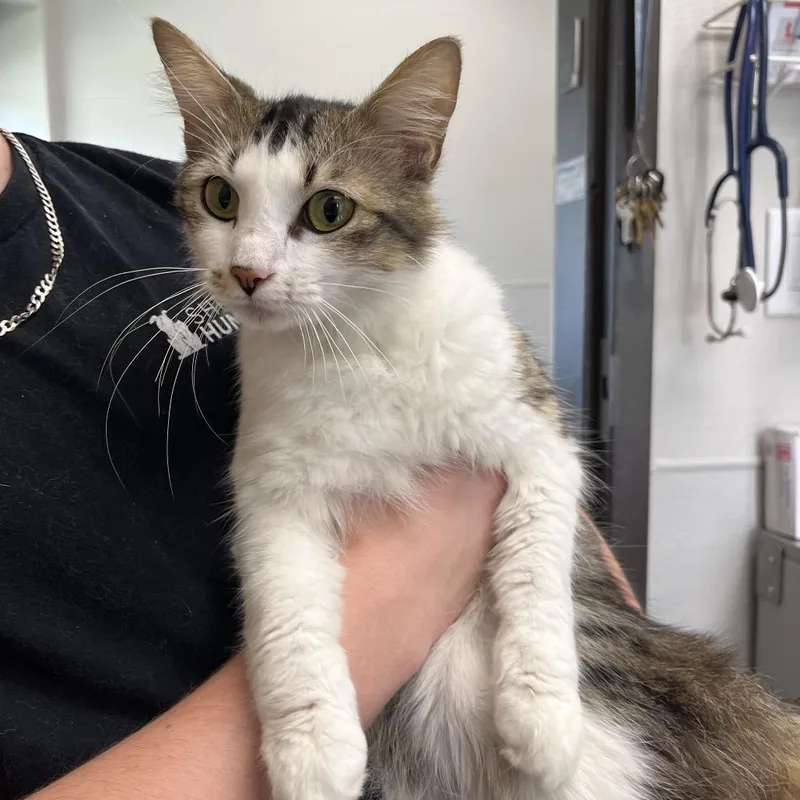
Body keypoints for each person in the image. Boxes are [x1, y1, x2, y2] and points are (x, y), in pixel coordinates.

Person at [0, 129, 638, 800]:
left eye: (326, 211)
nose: (251, 263)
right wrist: (322, 683)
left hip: (592, 699)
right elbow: (285, 511)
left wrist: (552, 654)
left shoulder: (119, 184)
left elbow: (540, 454)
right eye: (222, 202)